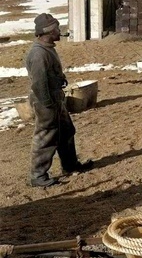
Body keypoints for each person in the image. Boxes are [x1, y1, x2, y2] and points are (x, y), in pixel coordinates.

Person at [25, 13, 93, 188]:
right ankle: (38, 176)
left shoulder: (47, 48)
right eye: (56, 28)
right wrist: (47, 104)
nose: (59, 31)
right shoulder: (38, 54)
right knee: (46, 136)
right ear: (48, 31)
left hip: (55, 98)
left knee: (66, 131)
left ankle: (70, 165)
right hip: (45, 100)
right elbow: (39, 83)